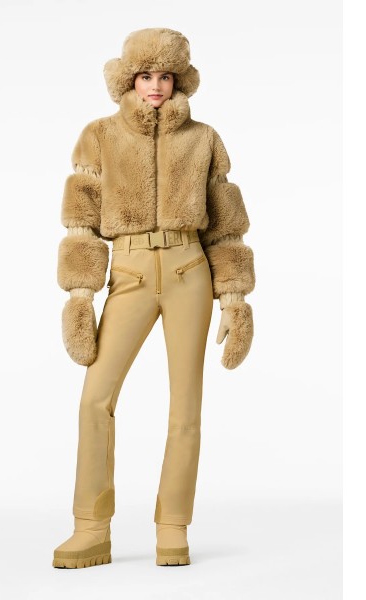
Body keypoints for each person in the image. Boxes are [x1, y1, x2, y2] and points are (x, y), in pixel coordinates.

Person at [53, 27, 255, 568]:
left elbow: (227, 227)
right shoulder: (99, 136)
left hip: (191, 270)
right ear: (129, 80)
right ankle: (90, 528)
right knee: (95, 398)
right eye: (146, 76)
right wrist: (80, 297)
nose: (156, 86)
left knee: (186, 406)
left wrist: (235, 299)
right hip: (130, 273)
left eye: (165, 76)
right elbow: (80, 225)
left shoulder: (205, 139)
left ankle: (173, 528)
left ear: (179, 80)